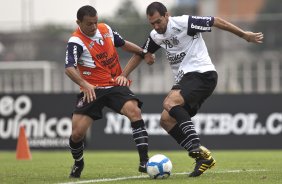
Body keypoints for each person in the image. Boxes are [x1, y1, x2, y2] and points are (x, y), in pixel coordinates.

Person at [116, 1, 264, 177]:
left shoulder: (184, 22)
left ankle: (195, 145)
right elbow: (140, 53)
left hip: (202, 73)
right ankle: (203, 159)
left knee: (169, 102)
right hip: (186, 79)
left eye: (158, 21)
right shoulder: (156, 35)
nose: (156, 26)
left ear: (166, 15)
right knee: (165, 120)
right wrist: (124, 75)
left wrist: (243, 35)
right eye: (152, 23)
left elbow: (215, 20)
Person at [65, 5, 154, 178]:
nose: (93, 27)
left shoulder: (105, 29)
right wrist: (85, 84)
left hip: (114, 84)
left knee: (134, 111)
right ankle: (78, 163)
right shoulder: (76, 41)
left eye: (95, 22)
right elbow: (69, 68)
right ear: (79, 22)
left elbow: (123, 44)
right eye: (89, 24)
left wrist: (143, 52)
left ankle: (144, 162)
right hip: (92, 90)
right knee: (77, 134)